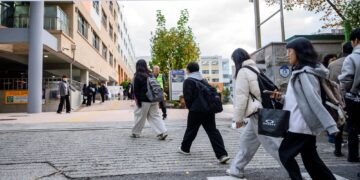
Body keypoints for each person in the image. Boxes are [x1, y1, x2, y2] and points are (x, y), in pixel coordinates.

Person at [272, 37, 339, 180]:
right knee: (311, 161)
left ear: (300, 52)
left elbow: (314, 100)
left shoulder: (305, 74)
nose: (287, 55)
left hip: (301, 125)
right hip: (300, 123)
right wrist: (281, 98)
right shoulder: (299, 71)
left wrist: (330, 126)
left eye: (290, 51)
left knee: (285, 154)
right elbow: (296, 99)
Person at [226, 48, 285, 178]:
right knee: (246, 142)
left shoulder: (243, 71)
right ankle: (236, 168)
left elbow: (241, 97)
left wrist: (238, 119)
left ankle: (291, 171)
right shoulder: (255, 69)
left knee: (273, 145)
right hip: (259, 112)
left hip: (258, 114)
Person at [178, 62, 230, 164]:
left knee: (191, 130)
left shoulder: (188, 81)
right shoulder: (203, 80)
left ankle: (185, 149)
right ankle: (222, 155)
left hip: (196, 110)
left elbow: (188, 98)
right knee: (212, 131)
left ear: (188, 70)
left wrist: (191, 108)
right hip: (209, 110)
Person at [328, 42, 353, 157]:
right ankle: (353, 153)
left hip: (337, 98)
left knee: (339, 124)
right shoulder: (355, 60)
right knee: (354, 125)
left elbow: (328, 82)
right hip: (353, 96)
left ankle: (337, 150)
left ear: (342, 49)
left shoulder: (332, 65)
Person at [131, 59, 168, 140]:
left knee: (139, 116)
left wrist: (137, 101)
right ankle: (162, 132)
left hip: (144, 100)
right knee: (155, 116)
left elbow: (136, 90)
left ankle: (136, 133)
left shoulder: (137, 75)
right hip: (154, 99)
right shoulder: (150, 75)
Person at [338, 28, 360, 163]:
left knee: (353, 129)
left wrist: (346, 91)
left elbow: (346, 80)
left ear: (355, 41)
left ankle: (353, 156)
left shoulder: (352, 58)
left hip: (356, 99)